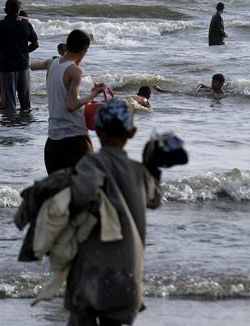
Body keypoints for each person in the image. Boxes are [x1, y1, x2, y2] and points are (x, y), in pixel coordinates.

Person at [65, 99, 162, 326]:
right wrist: (154, 170)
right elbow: (155, 200)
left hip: (92, 274)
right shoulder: (140, 172)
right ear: (132, 132)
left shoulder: (89, 165)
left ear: (96, 130)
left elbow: (80, 197)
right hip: (128, 277)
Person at [44, 29, 107, 174]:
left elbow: (33, 65)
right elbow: (72, 105)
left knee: (57, 191)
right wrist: (94, 94)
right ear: (85, 50)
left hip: (52, 142)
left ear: (67, 45)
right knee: (86, 189)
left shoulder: (51, 63)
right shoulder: (75, 71)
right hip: (74, 140)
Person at [0, 0, 39, 110]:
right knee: (25, 100)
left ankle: (10, 124)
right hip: (23, 66)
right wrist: (23, 51)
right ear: (19, 11)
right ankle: (24, 123)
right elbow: (36, 44)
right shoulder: (26, 25)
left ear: (5, 10)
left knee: (8, 100)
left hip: (7, 67)